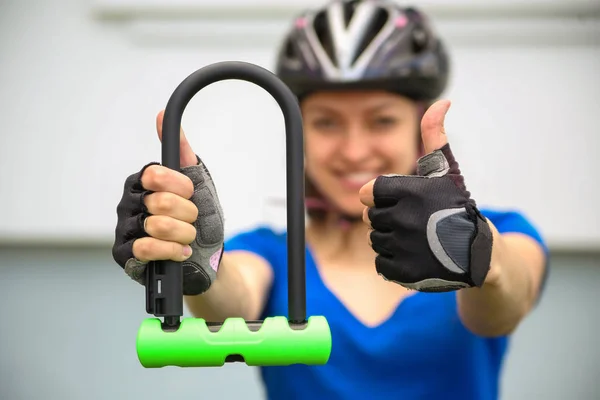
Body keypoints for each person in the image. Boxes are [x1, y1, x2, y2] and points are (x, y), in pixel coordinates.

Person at [112, 1, 549, 399]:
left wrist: (475, 249)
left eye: (381, 120)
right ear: (298, 131)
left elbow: (503, 306)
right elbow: (231, 296)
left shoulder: (506, 231)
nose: (355, 151)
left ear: (418, 125)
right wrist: (194, 260)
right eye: (327, 123)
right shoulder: (271, 253)